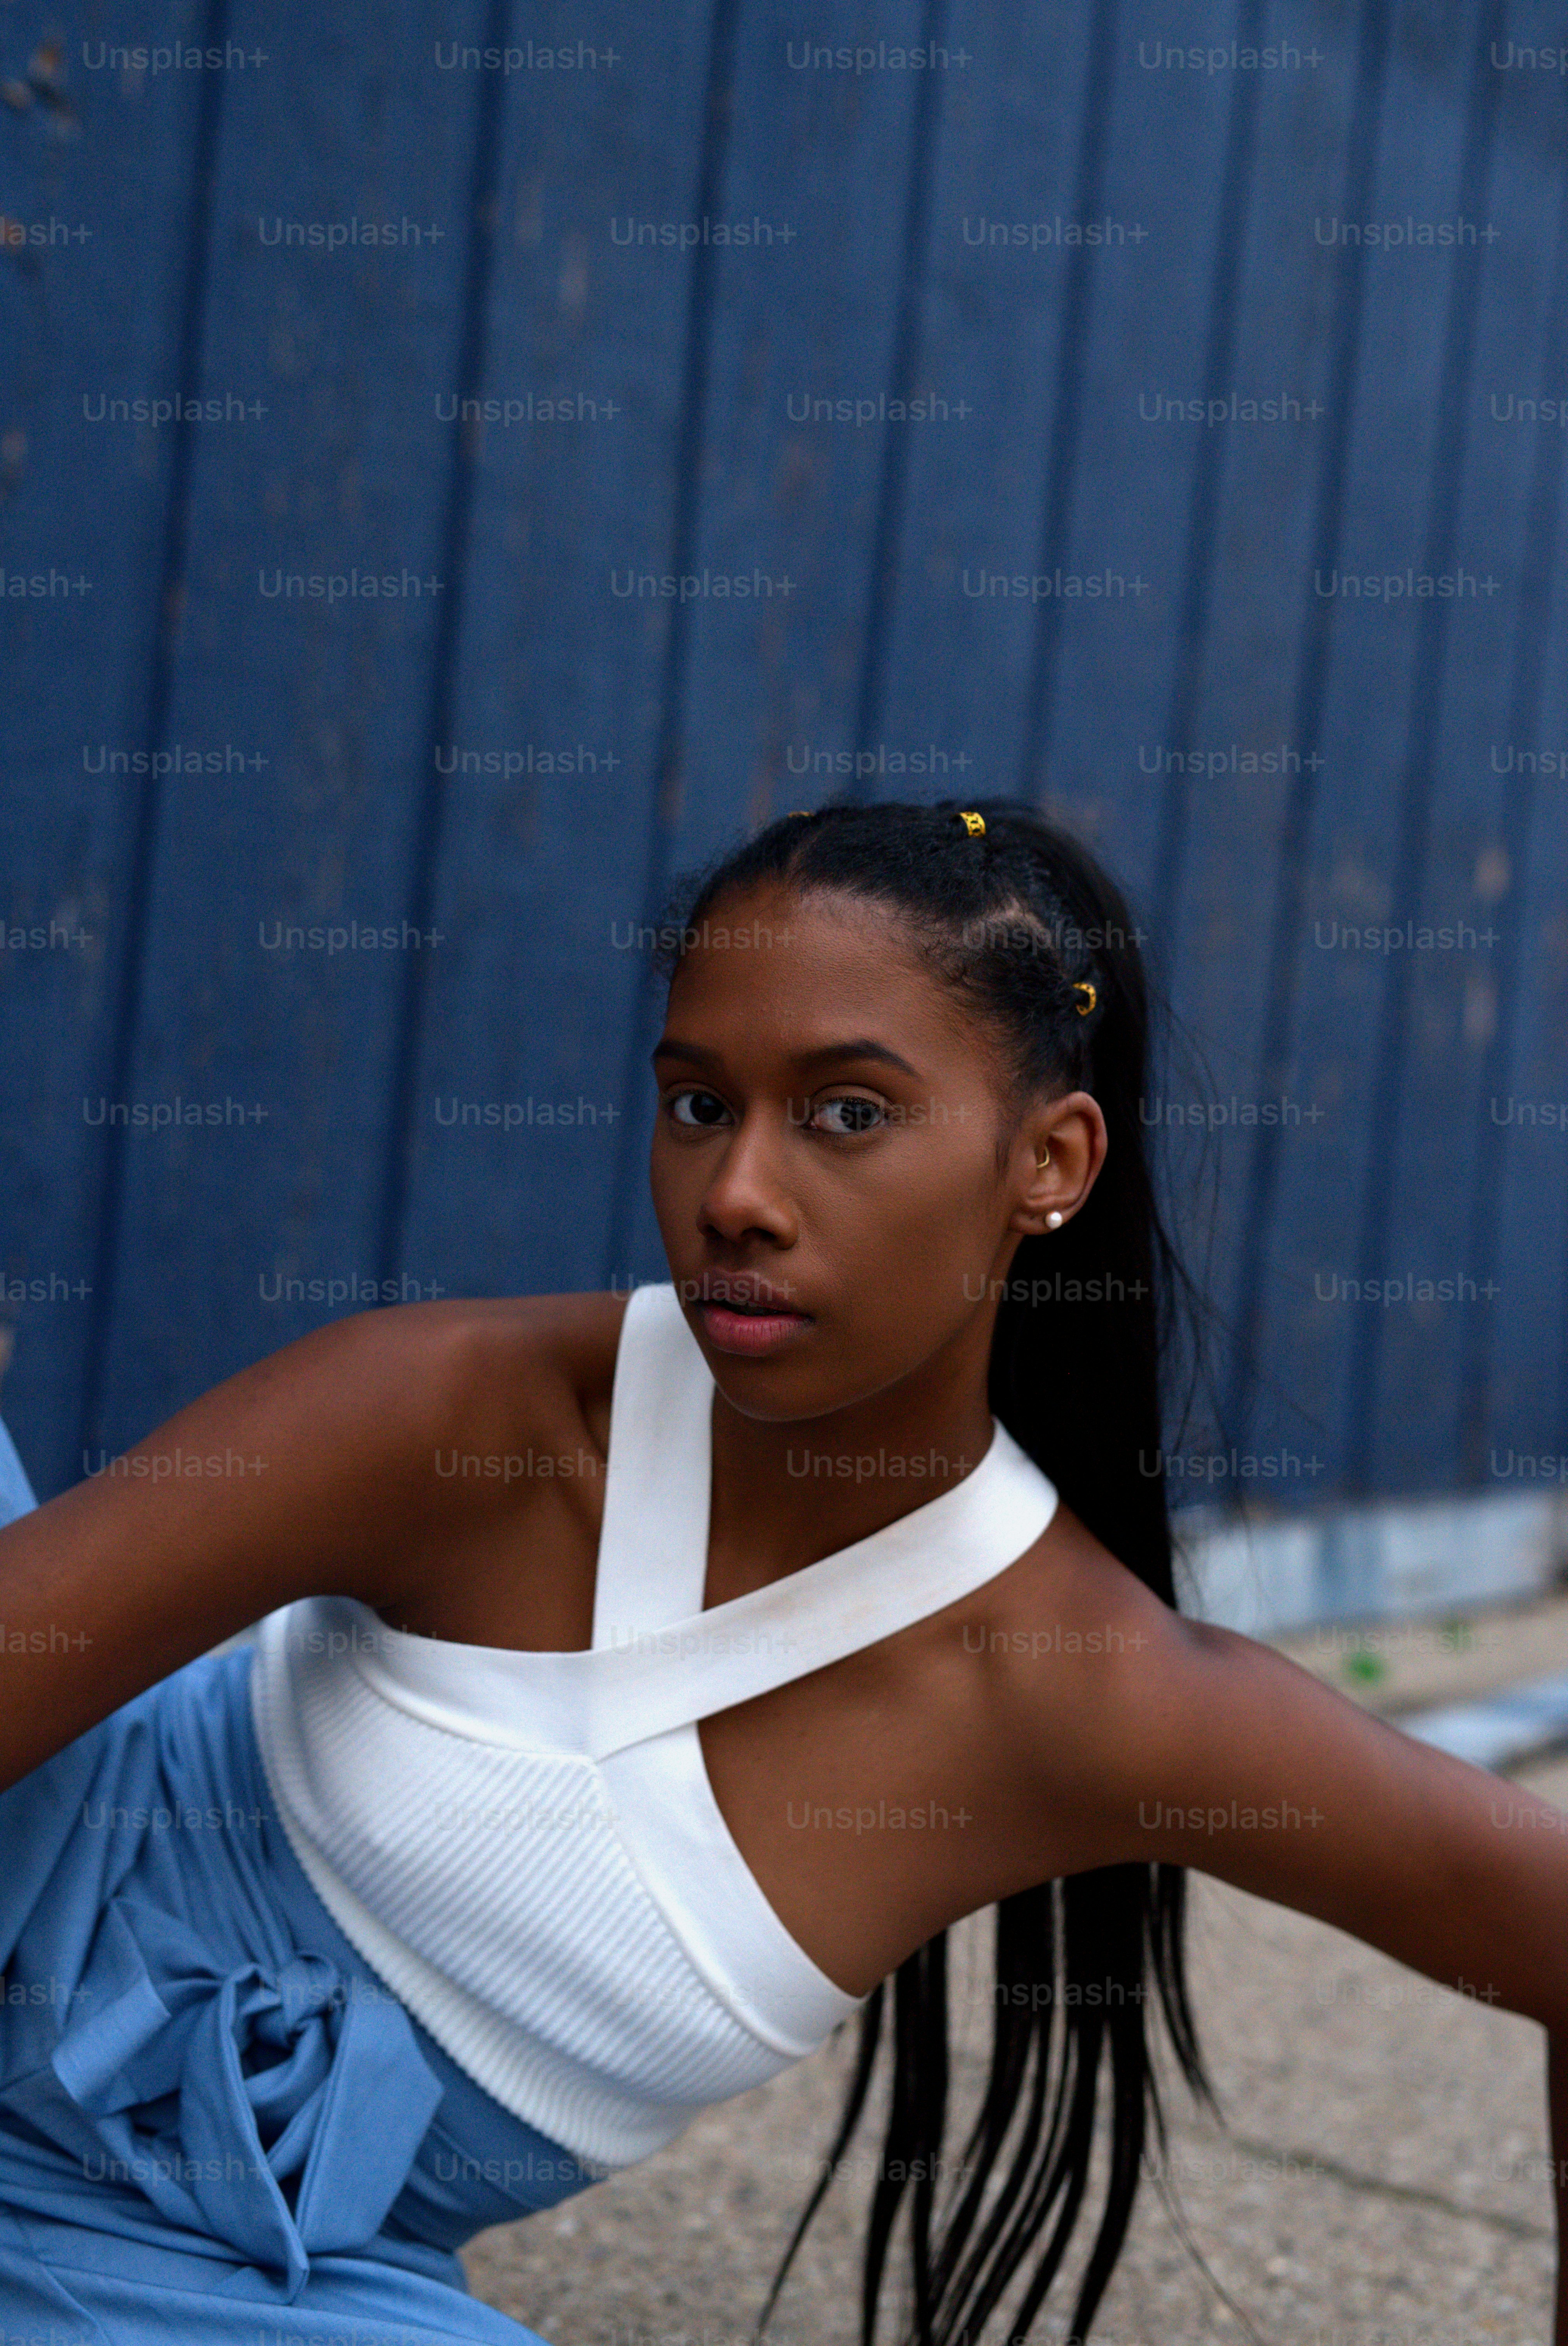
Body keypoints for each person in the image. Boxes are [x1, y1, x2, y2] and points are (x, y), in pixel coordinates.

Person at [0, 796, 1564, 2346]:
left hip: (204, 2270)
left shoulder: (1088, 1694)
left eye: (847, 1112)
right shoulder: (472, 1416)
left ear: (1051, 1158)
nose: (737, 1193)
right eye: (698, 1105)